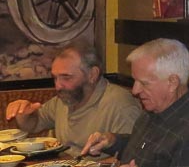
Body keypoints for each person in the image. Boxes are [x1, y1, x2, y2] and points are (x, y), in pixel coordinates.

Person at [81, 38, 189, 167]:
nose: (135, 90)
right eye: (135, 81)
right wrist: (113, 141)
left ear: (172, 82)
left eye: (144, 83)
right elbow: (152, 152)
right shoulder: (157, 109)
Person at [5, 42, 141, 155]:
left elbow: (130, 157)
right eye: (55, 78)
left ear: (92, 75)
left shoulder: (121, 105)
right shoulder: (66, 99)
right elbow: (35, 124)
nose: (58, 86)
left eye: (66, 77)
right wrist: (23, 115)